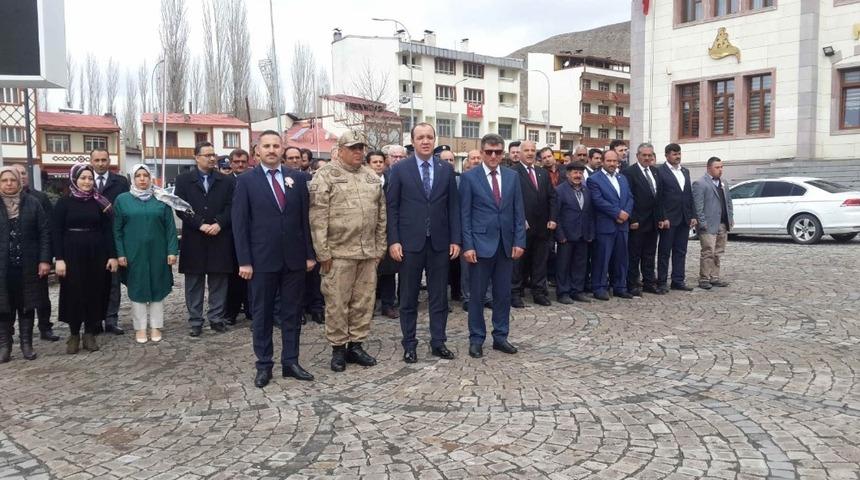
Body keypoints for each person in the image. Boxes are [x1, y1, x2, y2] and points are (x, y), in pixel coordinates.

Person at [233, 130, 317, 388]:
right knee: (262, 314)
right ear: (257, 151)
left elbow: (305, 220)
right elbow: (240, 223)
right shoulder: (246, 181)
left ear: (282, 149)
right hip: (261, 260)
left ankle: (290, 361)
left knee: (292, 313)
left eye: (275, 145)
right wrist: (244, 261)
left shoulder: (298, 178)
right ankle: (264, 365)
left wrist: (309, 254)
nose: (271, 150)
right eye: (266, 146)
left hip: (293, 259)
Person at [310, 130, 387, 373]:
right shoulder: (325, 175)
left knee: (363, 302)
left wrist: (380, 248)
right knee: (337, 303)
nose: (358, 152)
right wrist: (323, 253)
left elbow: (381, 216)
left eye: (360, 148)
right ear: (340, 149)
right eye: (353, 148)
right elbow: (317, 217)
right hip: (338, 253)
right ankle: (338, 349)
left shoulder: (371, 176)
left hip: (367, 253)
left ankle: (356, 345)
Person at [387, 123, 461, 363]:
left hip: (439, 243)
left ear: (434, 140)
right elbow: (393, 208)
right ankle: (409, 344)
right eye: (421, 137)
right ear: (413, 141)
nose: (426, 141)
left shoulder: (445, 169)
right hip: (409, 243)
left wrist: (456, 239)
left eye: (429, 137)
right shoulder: (400, 170)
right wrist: (394, 241)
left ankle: (438, 342)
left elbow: (453, 207)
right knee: (408, 297)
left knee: (439, 296)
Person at [460, 133, 525, 359]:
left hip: (506, 245)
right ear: (482, 151)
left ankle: (500, 337)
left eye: (498, 152)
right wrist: (467, 245)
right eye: (489, 152)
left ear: (503, 152)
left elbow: (519, 212)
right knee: (477, 296)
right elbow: (464, 214)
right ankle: (476, 338)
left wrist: (519, 240)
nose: (494, 156)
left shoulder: (512, 177)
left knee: (503, 294)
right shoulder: (470, 178)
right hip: (479, 246)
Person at [113, 165, 185, 344]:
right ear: (133, 178)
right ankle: (140, 328)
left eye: (146, 175)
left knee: (157, 290)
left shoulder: (160, 199)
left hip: (158, 253)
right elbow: (117, 230)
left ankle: (156, 326)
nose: (142, 179)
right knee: (137, 290)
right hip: (133, 254)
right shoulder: (122, 200)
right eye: (138, 176)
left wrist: (172, 251)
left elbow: (170, 228)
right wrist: (120, 253)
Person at [53, 163, 118, 353]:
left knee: (95, 291)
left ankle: (89, 333)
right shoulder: (64, 202)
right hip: (71, 254)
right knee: (74, 293)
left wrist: (112, 256)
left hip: (97, 253)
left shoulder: (100, 202)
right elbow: (56, 231)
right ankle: (74, 334)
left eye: (90, 178)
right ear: (74, 179)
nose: (87, 182)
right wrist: (59, 258)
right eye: (83, 178)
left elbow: (108, 231)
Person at [175, 141, 236, 337]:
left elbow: (232, 206)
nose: (212, 158)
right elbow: (180, 206)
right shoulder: (184, 179)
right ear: (196, 157)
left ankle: (216, 318)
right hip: (195, 237)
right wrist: (199, 223)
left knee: (219, 280)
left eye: (214, 155)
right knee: (194, 281)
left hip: (220, 235)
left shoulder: (226, 180)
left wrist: (219, 223)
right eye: (207, 155)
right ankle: (195, 320)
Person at [0, 167, 51, 362]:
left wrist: (45, 259)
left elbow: (44, 233)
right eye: (4, 180)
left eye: (12, 180)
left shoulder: (32, 203)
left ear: (19, 182)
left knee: (26, 305)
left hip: (28, 264)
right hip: (3, 267)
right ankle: (5, 346)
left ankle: (26, 344)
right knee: (3, 305)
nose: (9, 183)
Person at [11, 164, 57, 341]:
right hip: (11, 258)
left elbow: (47, 228)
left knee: (42, 295)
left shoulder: (39, 198)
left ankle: (45, 327)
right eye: (17, 174)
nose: (20, 177)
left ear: (27, 176)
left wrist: (47, 256)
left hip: (36, 256)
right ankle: (10, 331)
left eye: (23, 173)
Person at [511, 141, 557, 308]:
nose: (530, 153)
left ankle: (539, 292)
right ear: (520, 152)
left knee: (540, 262)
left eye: (532, 150)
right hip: (523, 226)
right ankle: (515, 293)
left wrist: (553, 218)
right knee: (518, 263)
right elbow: (511, 200)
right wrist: (520, 220)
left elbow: (552, 197)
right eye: (526, 150)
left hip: (543, 227)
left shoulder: (542, 173)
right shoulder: (512, 172)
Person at [91, 148, 129, 335]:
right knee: (95, 280)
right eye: (97, 160)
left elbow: (126, 209)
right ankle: (95, 319)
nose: (100, 163)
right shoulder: (85, 180)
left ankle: (111, 319)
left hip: (114, 237)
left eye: (104, 159)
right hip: (91, 239)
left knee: (114, 282)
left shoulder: (120, 182)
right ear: (91, 161)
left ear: (109, 160)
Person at [588, 150, 633, 301]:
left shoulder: (622, 178)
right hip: (605, 225)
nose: (612, 164)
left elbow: (630, 198)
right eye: (609, 161)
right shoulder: (594, 179)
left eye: (615, 161)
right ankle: (599, 287)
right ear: (603, 161)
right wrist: (617, 213)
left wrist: (626, 212)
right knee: (602, 258)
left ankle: (620, 286)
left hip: (622, 226)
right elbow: (598, 201)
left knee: (621, 258)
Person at [655, 143, 697, 293]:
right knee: (665, 251)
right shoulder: (660, 171)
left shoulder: (685, 171)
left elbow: (688, 194)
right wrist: (663, 217)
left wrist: (692, 215)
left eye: (679, 154)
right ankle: (661, 281)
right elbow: (659, 197)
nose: (677, 157)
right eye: (674, 154)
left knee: (681, 251)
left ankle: (678, 280)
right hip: (669, 219)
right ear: (667, 155)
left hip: (684, 218)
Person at [623, 142, 662, 296]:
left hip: (652, 222)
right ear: (637, 156)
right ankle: (632, 284)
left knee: (650, 254)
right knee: (634, 255)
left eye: (650, 155)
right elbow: (628, 197)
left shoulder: (655, 171)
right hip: (637, 221)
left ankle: (649, 282)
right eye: (644, 155)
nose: (647, 158)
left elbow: (658, 197)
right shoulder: (629, 172)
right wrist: (632, 219)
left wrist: (661, 217)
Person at [554, 162, 594, 304]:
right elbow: (555, 215)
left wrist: (590, 233)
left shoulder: (586, 190)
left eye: (580, 173)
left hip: (583, 235)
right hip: (566, 236)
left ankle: (577, 291)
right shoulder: (559, 190)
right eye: (575, 173)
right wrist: (560, 235)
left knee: (580, 264)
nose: (578, 175)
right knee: (563, 265)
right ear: (568, 174)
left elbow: (589, 213)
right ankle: (563, 292)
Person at [692, 157, 733, 290]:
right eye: (717, 167)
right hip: (708, 224)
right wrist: (702, 223)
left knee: (718, 252)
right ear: (709, 168)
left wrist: (730, 219)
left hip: (722, 223)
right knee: (708, 251)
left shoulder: (724, 183)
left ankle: (714, 277)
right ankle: (704, 278)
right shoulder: (700, 183)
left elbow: (728, 203)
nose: (720, 170)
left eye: (721, 167)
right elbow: (698, 206)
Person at [459, 151, 492, 311]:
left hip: (487, 231)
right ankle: (468, 297)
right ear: (467, 162)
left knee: (486, 267)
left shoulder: (490, 178)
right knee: (467, 268)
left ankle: (487, 296)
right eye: (473, 158)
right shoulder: (463, 179)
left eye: (479, 158)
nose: (477, 160)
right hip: (469, 229)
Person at [225, 148, 251, 325]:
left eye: (243, 162)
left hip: (251, 234)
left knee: (251, 276)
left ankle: (251, 310)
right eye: (236, 162)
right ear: (230, 163)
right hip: (229, 235)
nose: (240, 165)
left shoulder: (253, 179)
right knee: (233, 277)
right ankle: (231, 312)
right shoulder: (224, 182)